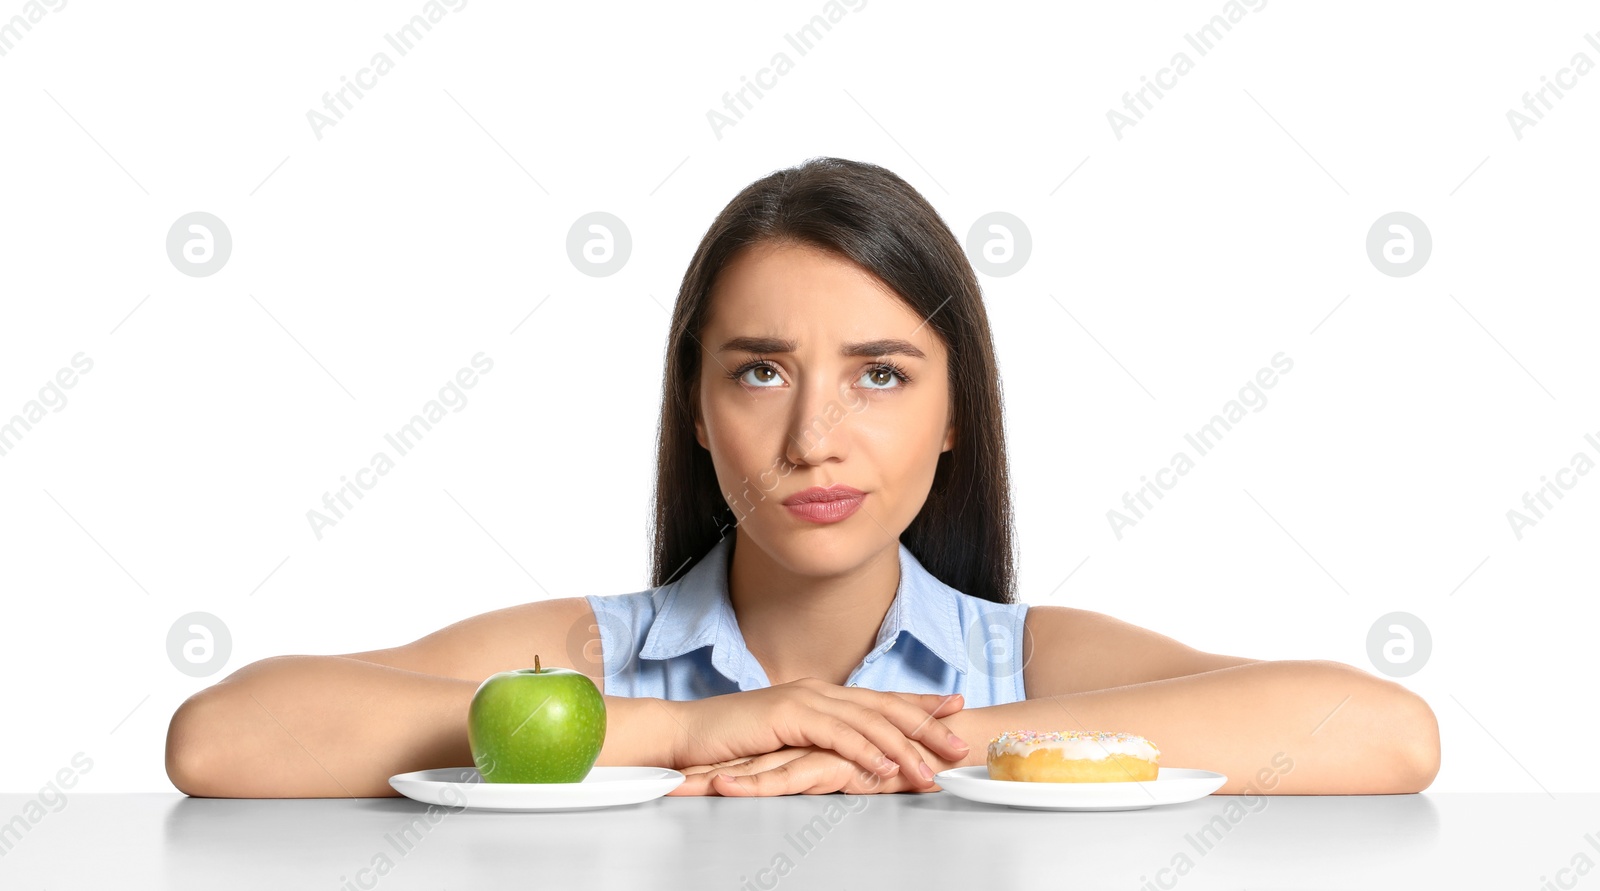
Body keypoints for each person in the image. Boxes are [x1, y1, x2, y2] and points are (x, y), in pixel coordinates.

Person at [164, 157, 1440, 799]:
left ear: (955, 420)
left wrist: (911, 749)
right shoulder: (588, 658)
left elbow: (1387, 736)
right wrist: (676, 737)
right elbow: (220, 742)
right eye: (761, 373)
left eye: (880, 375)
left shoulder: (1025, 664)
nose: (815, 439)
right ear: (698, 410)